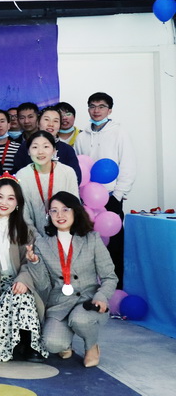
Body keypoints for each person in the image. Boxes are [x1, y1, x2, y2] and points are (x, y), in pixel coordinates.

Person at [27, 191, 117, 368]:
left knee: (79, 320)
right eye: (54, 211)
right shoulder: (42, 244)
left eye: (65, 209)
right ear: (48, 215)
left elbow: (109, 277)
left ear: (76, 211)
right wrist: (35, 263)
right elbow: (43, 285)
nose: (59, 215)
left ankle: (91, 346)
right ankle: (65, 342)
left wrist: (101, 297)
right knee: (52, 344)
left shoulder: (92, 239)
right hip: (60, 305)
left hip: (88, 302)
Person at [0, 177, 46, 362]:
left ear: (18, 202)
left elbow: (30, 262)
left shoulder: (26, 230)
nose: (4, 202)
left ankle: (25, 342)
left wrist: (23, 279)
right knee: (16, 295)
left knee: (20, 293)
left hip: (17, 281)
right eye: (0, 197)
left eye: (11, 198)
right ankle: (25, 343)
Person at [75, 92, 136, 288]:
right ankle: (91, 288)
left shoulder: (119, 133)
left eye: (101, 106)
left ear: (109, 110)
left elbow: (128, 165)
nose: (96, 110)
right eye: (92, 106)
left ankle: (116, 289)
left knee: (114, 245)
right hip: (87, 200)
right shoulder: (82, 136)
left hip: (110, 197)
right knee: (88, 245)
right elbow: (78, 168)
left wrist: (117, 195)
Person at [16, 131, 79, 238]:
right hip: (33, 237)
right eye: (35, 147)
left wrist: (65, 236)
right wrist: (37, 239)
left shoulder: (67, 172)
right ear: (28, 152)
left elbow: (75, 208)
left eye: (46, 146)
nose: (40, 152)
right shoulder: (22, 175)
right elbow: (23, 214)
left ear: (54, 150)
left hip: (67, 234)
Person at [11, 106, 82, 182]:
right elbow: (17, 175)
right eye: (46, 119)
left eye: (55, 121)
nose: (51, 124)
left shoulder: (67, 149)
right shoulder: (26, 146)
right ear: (38, 123)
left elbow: (76, 177)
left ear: (59, 126)